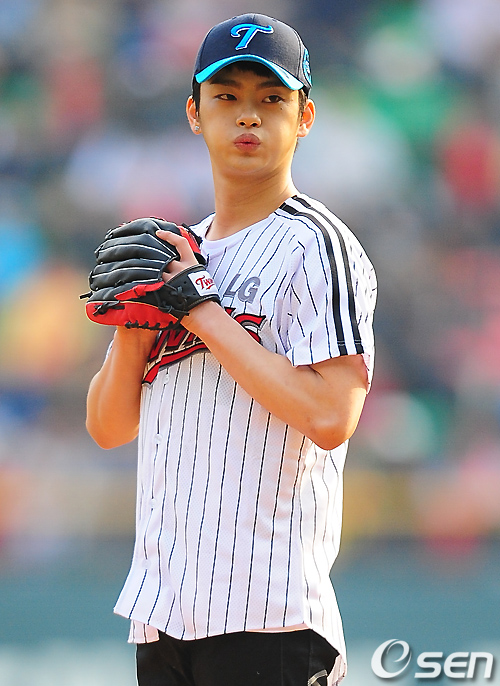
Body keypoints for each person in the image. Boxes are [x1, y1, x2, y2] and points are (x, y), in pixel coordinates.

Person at [86, 13, 377, 686]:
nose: (248, 115)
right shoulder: (176, 253)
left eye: (271, 98)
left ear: (304, 118)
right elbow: (108, 426)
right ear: (195, 113)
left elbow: (332, 417)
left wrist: (200, 310)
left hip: (270, 615)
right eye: (226, 96)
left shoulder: (317, 246)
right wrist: (137, 325)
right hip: (163, 613)